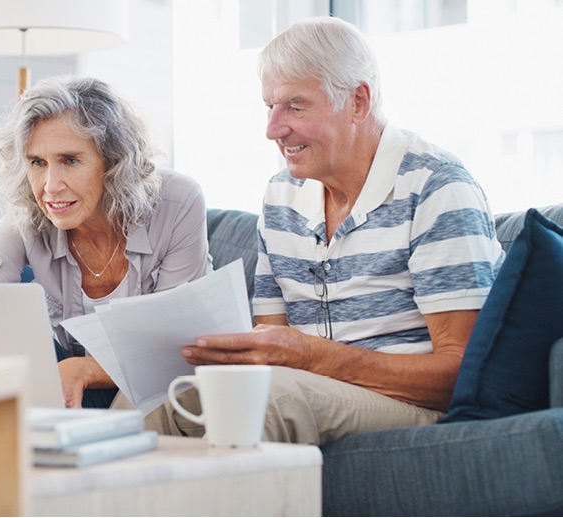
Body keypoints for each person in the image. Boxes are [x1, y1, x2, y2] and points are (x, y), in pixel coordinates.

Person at [146, 16, 505, 446]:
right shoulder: (282, 195)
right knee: (150, 401)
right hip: (309, 390)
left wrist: (312, 356)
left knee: (263, 401)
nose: (273, 129)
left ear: (358, 101)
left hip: (416, 404)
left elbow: (461, 373)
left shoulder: (436, 187)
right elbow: (270, 346)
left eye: (296, 106)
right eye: (270, 107)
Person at [0, 75, 211, 409]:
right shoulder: (30, 210)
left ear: (112, 162)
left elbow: (174, 348)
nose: (50, 186)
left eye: (70, 160)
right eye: (37, 162)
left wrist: (84, 369)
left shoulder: (178, 201)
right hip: (70, 384)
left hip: (163, 384)